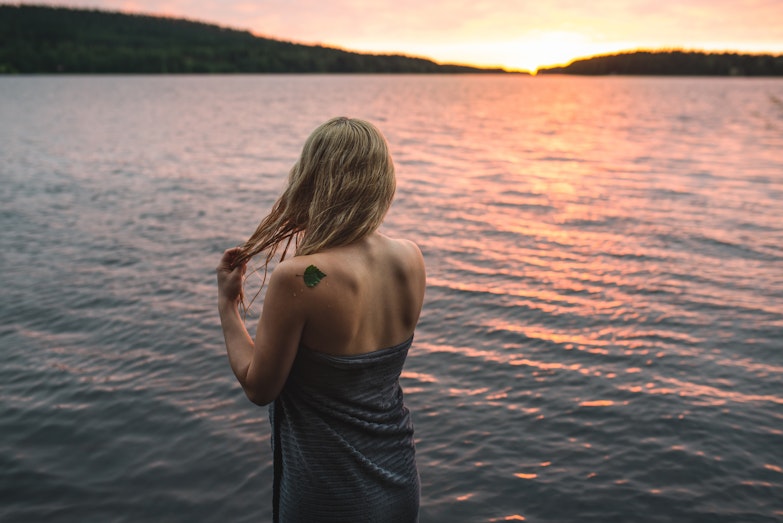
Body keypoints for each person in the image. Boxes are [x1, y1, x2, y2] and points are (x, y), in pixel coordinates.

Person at [216, 117, 426, 522]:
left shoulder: (301, 277)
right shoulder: (410, 258)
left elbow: (260, 387)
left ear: (313, 181)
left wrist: (227, 306)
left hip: (329, 495)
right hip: (399, 480)